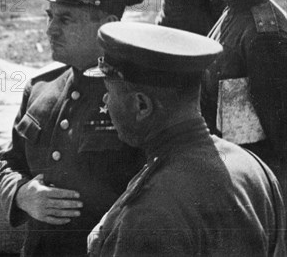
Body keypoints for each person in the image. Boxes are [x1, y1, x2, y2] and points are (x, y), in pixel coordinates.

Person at [88, 22, 286, 256]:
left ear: (142, 105)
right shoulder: (254, 170)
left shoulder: (147, 216)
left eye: (109, 92)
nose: (105, 102)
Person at [0, 0, 146, 256]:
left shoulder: (136, 98)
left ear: (109, 26)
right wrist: (21, 194)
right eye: (49, 16)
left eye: (65, 19)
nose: (50, 29)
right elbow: (9, 164)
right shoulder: (39, 89)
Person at [200, 0, 287, 203]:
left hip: (253, 188)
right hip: (233, 176)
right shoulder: (234, 13)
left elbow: (280, 134)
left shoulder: (264, 35)